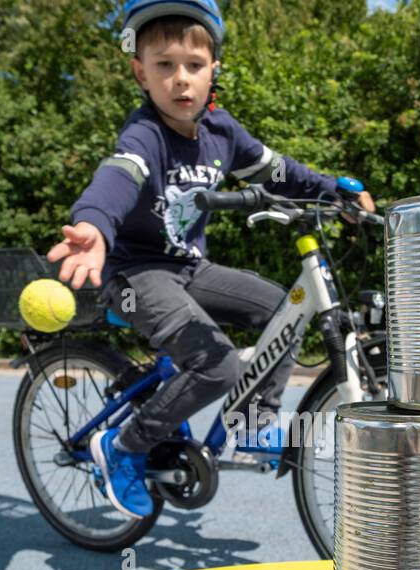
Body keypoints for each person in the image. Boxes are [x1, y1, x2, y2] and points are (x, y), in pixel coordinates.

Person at [48, 0, 375, 519]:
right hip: (136, 274)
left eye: (194, 66)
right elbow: (119, 175)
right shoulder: (145, 135)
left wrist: (333, 192)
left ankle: (252, 422)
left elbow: (277, 171)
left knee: (282, 308)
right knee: (218, 363)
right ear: (140, 73)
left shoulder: (223, 132)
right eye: (164, 66)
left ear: (213, 69)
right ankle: (125, 446)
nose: (181, 80)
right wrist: (93, 224)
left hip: (189, 270)